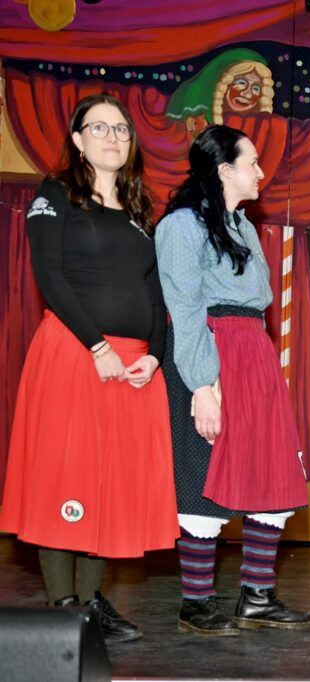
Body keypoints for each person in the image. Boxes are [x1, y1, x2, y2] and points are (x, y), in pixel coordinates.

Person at [0, 94, 178, 643]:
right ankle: (64, 603)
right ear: (77, 140)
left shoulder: (141, 208)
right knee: (66, 473)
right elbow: (49, 276)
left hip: (133, 364)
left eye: (121, 129)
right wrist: (98, 348)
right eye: (99, 128)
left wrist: (153, 355)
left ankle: (93, 601)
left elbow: (155, 293)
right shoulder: (54, 194)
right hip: (76, 352)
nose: (112, 137)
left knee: (110, 480)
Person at [155, 125, 310, 636]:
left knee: (271, 467)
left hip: (253, 353)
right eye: (253, 163)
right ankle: (196, 600)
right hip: (212, 351)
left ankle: (257, 595)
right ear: (224, 170)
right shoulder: (182, 226)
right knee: (205, 471)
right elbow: (185, 309)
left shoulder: (242, 225)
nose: (262, 172)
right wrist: (203, 385)